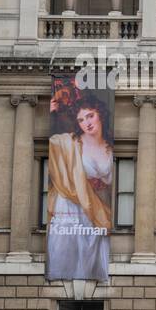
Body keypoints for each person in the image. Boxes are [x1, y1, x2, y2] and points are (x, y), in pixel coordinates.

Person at [46, 95, 113, 282]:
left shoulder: (110, 146)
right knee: (68, 256)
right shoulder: (70, 142)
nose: (87, 123)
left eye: (90, 116)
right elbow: (52, 144)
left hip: (98, 210)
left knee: (94, 257)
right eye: (81, 120)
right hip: (71, 206)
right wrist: (52, 114)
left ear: (100, 114)